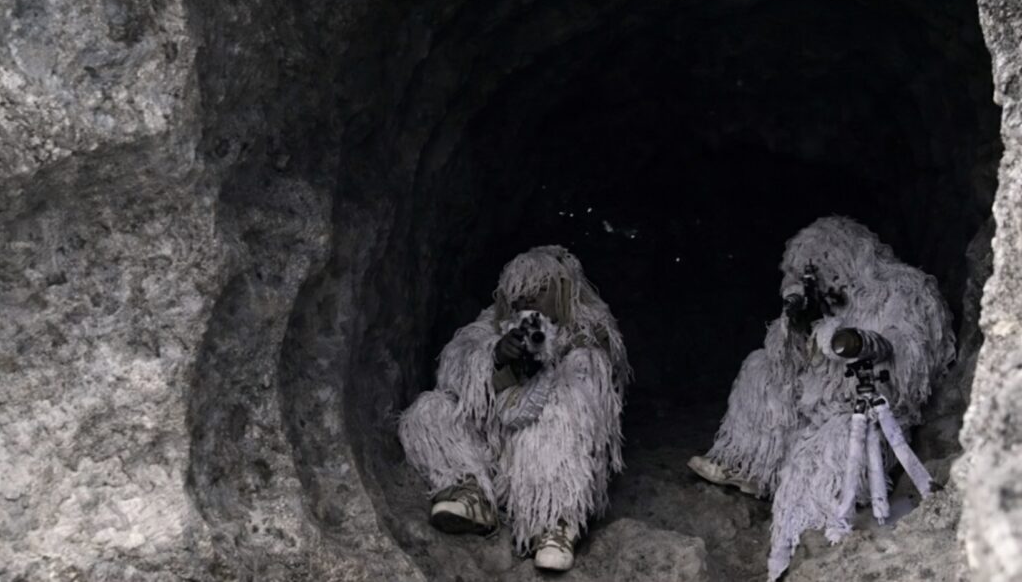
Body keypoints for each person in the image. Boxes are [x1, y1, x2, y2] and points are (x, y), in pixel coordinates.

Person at [687, 216, 954, 580]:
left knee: (822, 453)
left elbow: (910, 360)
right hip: (815, 401)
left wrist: (853, 341)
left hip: (864, 411)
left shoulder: (903, 289)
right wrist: (795, 325)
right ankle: (749, 468)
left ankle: (802, 542)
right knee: (760, 367)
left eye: (822, 269)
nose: (819, 281)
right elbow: (788, 363)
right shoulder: (826, 305)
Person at [398, 245, 631, 571]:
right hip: (494, 452)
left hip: (550, 457)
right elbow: (452, 371)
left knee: (562, 412)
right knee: (429, 409)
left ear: (563, 290)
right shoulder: (492, 325)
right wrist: (495, 358)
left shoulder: (590, 331)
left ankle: (554, 522)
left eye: (539, 290)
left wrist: (546, 362)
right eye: (520, 293)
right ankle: (471, 494)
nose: (528, 300)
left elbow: (592, 400)